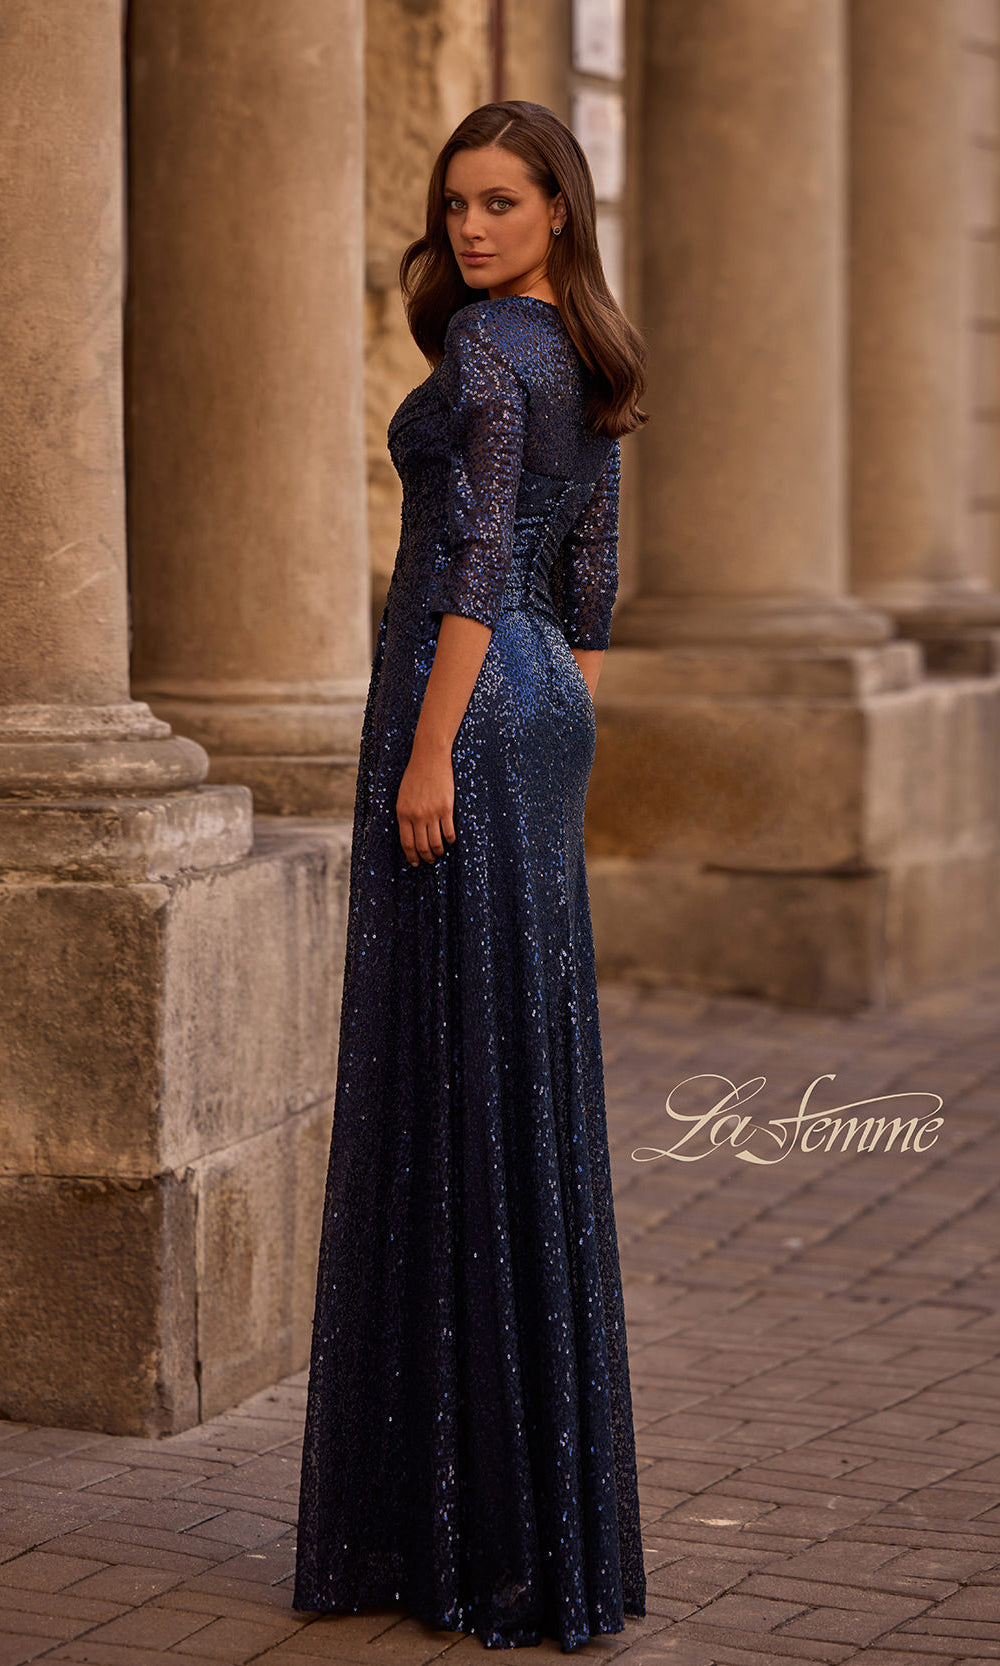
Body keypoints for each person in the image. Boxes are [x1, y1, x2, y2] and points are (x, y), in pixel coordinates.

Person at [293, 99, 649, 1653]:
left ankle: (454, 1528)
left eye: (501, 201)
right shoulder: (588, 357)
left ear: (559, 209)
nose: (470, 228)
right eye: (455, 205)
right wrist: (528, 720)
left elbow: (472, 562)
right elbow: (591, 593)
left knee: (456, 1088)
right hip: (542, 707)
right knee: (515, 1083)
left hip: (458, 708)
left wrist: (435, 749)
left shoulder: (498, 352)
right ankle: (520, 1520)